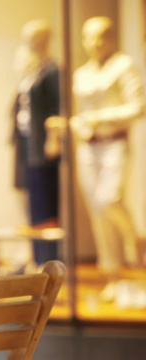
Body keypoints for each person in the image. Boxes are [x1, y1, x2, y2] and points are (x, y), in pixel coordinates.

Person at [71, 16, 144, 302]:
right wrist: (77, 123)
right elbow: (81, 110)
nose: (94, 43)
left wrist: (99, 117)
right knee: (97, 213)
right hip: (88, 147)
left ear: (112, 37)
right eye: (89, 37)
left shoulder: (123, 66)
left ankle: (134, 237)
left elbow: (138, 107)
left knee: (109, 198)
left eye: (101, 36)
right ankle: (112, 274)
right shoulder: (82, 73)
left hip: (115, 143)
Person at [11, 19, 61, 268]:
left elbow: (56, 108)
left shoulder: (52, 71)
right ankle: (37, 257)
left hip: (42, 148)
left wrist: (53, 139)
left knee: (45, 203)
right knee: (32, 202)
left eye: (34, 37)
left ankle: (49, 260)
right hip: (26, 145)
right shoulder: (32, 70)